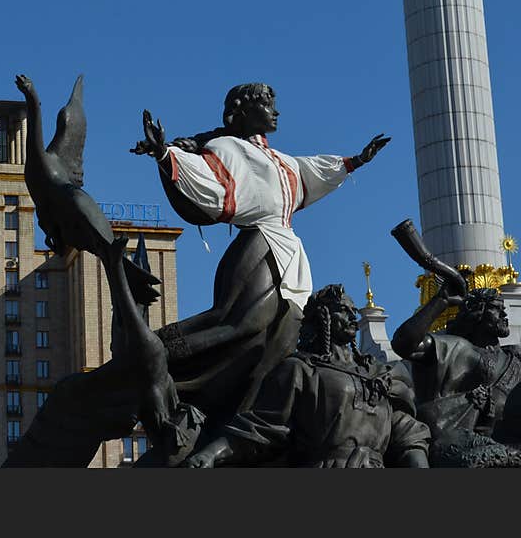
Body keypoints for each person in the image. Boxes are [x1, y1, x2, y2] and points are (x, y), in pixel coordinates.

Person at [132, 83, 389, 420]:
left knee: (276, 341)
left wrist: (356, 161)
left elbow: (312, 171)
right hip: (259, 243)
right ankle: (153, 352)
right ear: (243, 111)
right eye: (268, 104)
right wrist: (165, 153)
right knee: (237, 323)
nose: (276, 112)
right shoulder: (226, 149)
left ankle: (245, 410)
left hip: (290, 252)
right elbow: (205, 180)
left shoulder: (281, 160)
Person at [182, 285, 430, 468]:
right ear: (323, 317)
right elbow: (262, 428)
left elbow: (406, 431)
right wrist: (211, 453)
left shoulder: (378, 375)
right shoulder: (300, 370)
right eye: (343, 311)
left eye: (353, 311)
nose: (352, 317)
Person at [391, 285, 521, 466]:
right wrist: (441, 301)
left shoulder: (515, 358)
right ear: (477, 313)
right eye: (495, 308)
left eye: (503, 309)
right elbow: (404, 344)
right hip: (462, 449)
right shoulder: (457, 349)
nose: (504, 315)